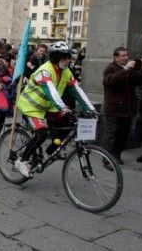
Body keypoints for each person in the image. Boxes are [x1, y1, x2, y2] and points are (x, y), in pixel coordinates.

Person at [15, 41, 96, 177]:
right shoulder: (44, 70)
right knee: (41, 134)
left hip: (49, 106)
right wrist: (63, 108)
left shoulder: (66, 72)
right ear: (55, 57)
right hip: (31, 107)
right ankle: (22, 160)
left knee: (69, 125)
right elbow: (50, 90)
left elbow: (76, 90)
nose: (67, 60)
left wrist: (90, 109)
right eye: (63, 57)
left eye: (68, 57)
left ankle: (50, 152)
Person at [103, 47, 142, 164]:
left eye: (127, 55)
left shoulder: (130, 70)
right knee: (112, 135)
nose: (126, 58)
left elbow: (140, 81)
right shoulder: (110, 68)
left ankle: (116, 156)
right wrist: (125, 69)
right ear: (116, 57)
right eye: (123, 55)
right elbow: (109, 82)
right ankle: (107, 159)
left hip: (127, 110)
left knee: (122, 135)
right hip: (114, 109)